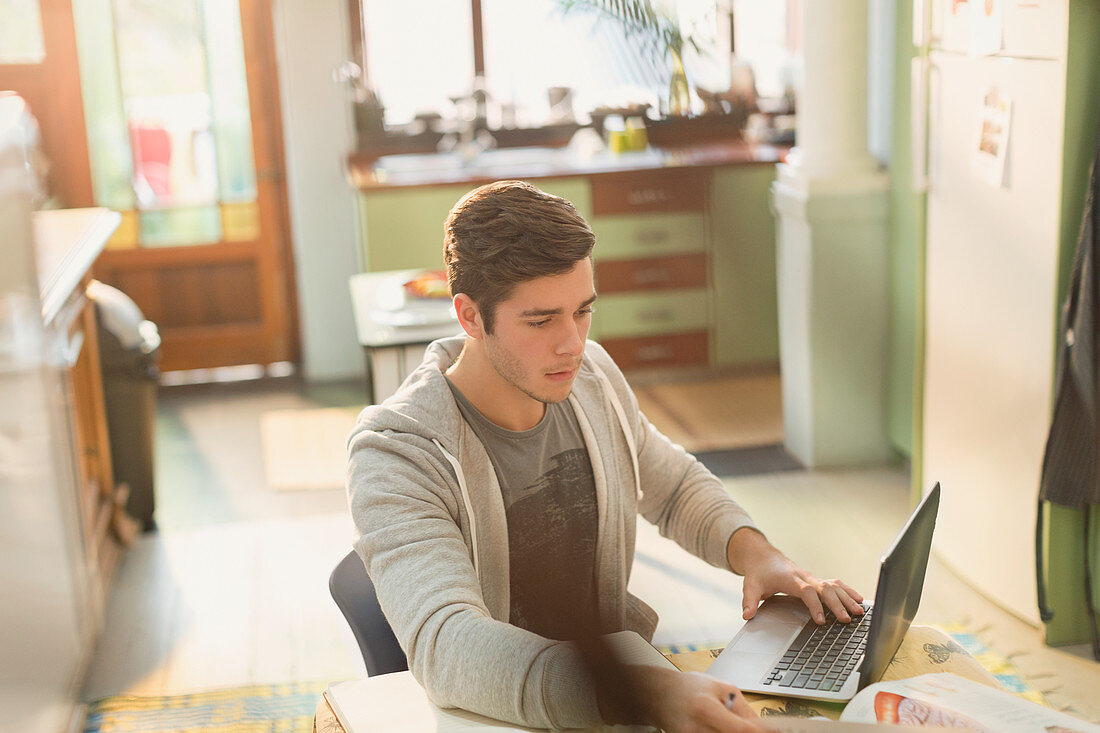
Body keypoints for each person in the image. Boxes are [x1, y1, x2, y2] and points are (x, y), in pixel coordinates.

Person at [346, 180, 865, 732]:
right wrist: (640, 692)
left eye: (583, 311)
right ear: (470, 317)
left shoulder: (591, 377)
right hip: (502, 714)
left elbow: (672, 485)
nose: (572, 343)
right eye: (541, 321)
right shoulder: (395, 453)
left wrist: (762, 556)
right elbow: (447, 643)